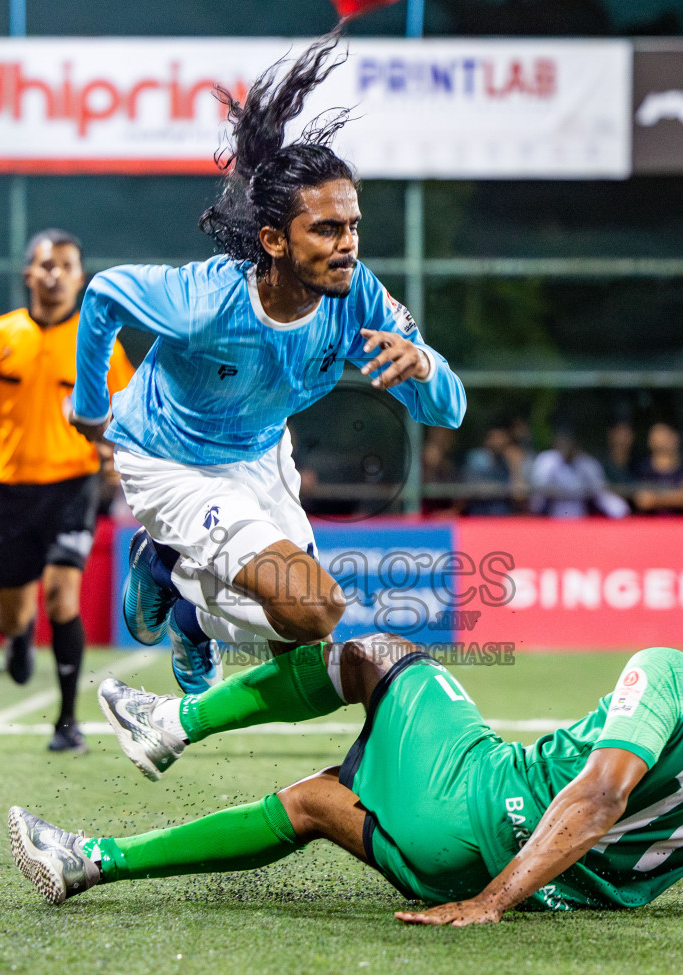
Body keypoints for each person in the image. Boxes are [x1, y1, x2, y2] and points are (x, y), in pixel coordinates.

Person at [12, 546, 683, 920]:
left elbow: (603, 792)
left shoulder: (673, 672)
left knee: (375, 647)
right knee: (317, 801)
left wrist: (492, 898)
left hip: (490, 813)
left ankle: (171, 721)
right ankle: (87, 859)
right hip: (530, 880)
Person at [67, 36, 465, 696]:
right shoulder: (206, 304)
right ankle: (166, 564)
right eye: (327, 231)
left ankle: (188, 608)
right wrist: (89, 406)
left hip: (256, 453)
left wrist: (423, 364)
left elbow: (447, 409)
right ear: (275, 240)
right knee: (318, 606)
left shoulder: (357, 298)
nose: (348, 246)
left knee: (301, 634)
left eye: (353, 226)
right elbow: (105, 294)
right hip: (167, 459)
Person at [0, 228, 135, 753]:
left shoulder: (98, 341)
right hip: (9, 492)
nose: (55, 275)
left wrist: (117, 454)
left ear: (80, 277)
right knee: (12, 614)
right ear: (28, 273)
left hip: (73, 486)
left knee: (60, 597)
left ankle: (67, 721)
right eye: (45, 265)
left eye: (66, 266)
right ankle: (17, 634)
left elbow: (130, 407)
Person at [528, 428, 628, 518]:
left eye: (568, 442)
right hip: (550, 519)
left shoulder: (587, 464)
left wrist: (619, 511)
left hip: (580, 520)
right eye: (562, 441)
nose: (565, 445)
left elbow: (601, 494)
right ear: (556, 442)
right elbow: (536, 498)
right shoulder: (547, 461)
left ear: (575, 444)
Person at [460, 419, 526, 516]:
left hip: (504, 518)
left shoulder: (514, 460)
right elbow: (468, 495)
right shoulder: (476, 459)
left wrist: (515, 467)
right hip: (478, 516)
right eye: (494, 437)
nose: (497, 442)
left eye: (500, 437)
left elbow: (519, 497)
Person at [633, 423, 683, 515]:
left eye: (665, 435)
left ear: (675, 438)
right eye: (657, 435)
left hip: (681, 524)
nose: (661, 440)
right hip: (650, 524)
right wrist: (674, 497)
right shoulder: (643, 468)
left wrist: (656, 500)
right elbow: (642, 500)